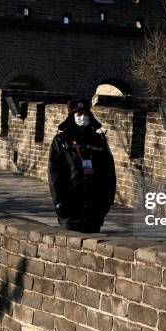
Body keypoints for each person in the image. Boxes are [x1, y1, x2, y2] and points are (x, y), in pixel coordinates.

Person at [47, 99, 116, 233]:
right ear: (72, 117)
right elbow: (54, 174)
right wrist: (59, 203)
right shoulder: (61, 141)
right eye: (78, 114)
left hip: (94, 208)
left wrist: (107, 202)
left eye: (85, 113)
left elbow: (108, 172)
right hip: (70, 207)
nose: (82, 117)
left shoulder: (98, 140)